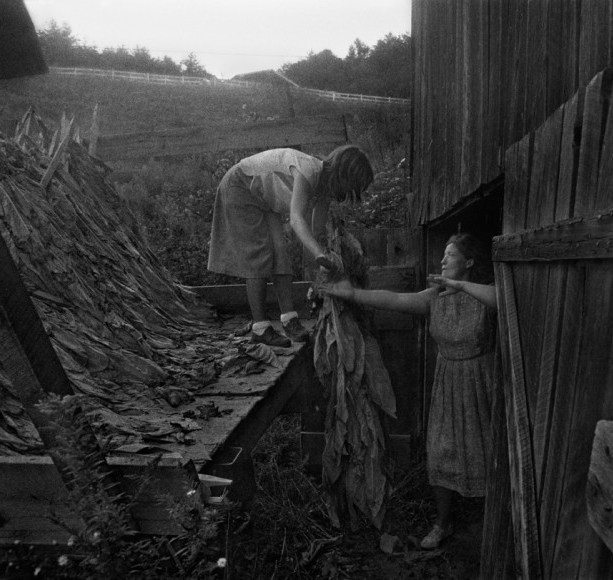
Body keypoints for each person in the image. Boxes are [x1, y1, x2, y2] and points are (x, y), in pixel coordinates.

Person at [319, 232, 497, 549]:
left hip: (479, 383)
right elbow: (395, 300)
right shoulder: (435, 297)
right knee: (441, 450)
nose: (443, 260)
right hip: (448, 382)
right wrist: (351, 294)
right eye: (444, 254)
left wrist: (460, 286)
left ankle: (492, 525)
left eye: (451, 255)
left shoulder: (485, 293)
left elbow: (502, 299)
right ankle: (443, 523)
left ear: (469, 262)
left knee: (485, 449)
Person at [207, 145, 374, 346]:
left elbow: (317, 231)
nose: (348, 194)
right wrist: (320, 255)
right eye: (352, 187)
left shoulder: (325, 189)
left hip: (264, 198)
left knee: (280, 253)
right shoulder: (308, 171)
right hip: (240, 185)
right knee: (258, 255)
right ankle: (260, 328)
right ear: (343, 175)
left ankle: (289, 320)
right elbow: (296, 219)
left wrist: (326, 260)